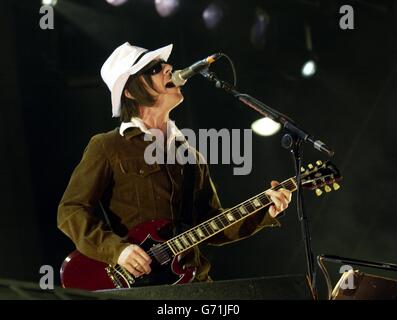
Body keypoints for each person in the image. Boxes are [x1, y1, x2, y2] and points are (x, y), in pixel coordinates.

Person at [57, 42, 292, 284]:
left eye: (164, 64)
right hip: (140, 286)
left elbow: (210, 222)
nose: (169, 67)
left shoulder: (191, 154)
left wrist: (263, 209)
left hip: (195, 281)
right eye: (154, 68)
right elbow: (71, 210)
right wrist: (118, 250)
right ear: (130, 91)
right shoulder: (108, 146)